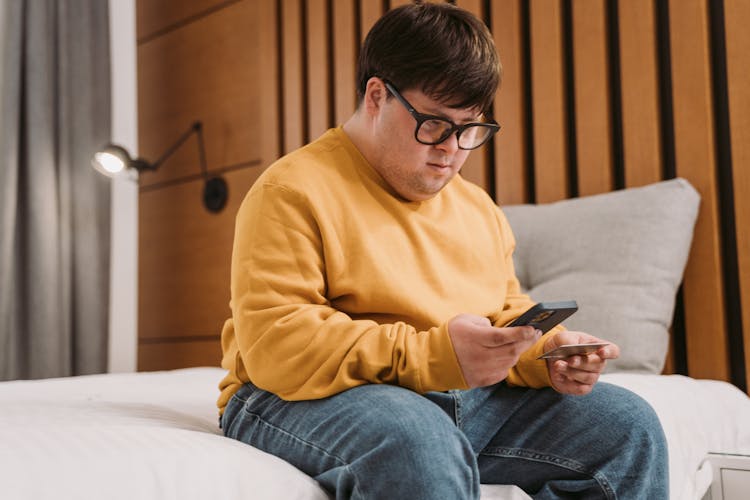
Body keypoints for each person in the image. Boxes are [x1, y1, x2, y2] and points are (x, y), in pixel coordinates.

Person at [218, 3, 668, 498]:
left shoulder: (477, 209)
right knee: (416, 439)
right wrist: (434, 355)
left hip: (450, 395)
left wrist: (544, 355)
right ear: (376, 95)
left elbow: (502, 315)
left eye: (470, 129)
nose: (451, 149)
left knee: (629, 425)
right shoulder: (290, 191)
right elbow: (277, 348)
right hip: (296, 395)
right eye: (433, 125)